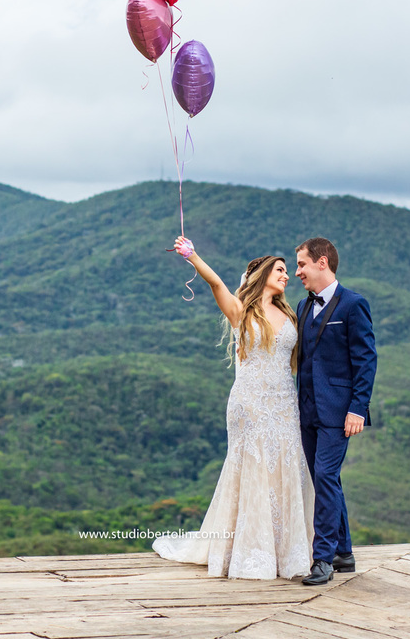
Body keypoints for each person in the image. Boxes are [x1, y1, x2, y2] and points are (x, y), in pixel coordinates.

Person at [152, 236, 314, 580]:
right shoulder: (242, 311)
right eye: (281, 270)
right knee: (253, 467)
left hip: (285, 402)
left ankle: (285, 551)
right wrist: (192, 255)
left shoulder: (291, 314)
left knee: (286, 467)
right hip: (249, 403)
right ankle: (249, 552)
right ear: (262, 274)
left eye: (288, 271)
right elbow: (216, 282)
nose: (286, 276)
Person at [293, 236, 377, 585]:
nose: (298, 272)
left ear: (322, 262)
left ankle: (323, 560)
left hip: (339, 412)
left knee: (326, 478)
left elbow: (366, 358)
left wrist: (358, 408)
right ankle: (344, 552)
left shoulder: (353, 305)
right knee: (326, 479)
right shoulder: (301, 306)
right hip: (306, 410)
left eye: (302, 264)